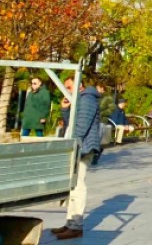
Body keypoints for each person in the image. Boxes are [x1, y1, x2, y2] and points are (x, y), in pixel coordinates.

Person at [50, 77, 104, 241]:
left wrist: (71, 146)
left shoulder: (87, 99)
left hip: (83, 147)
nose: (67, 90)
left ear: (79, 85)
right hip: (78, 145)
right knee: (72, 186)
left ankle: (76, 226)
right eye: (65, 88)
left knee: (78, 185)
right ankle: (70, 223)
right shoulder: (80, 98)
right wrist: (65, 110)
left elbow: (81, 126)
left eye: (69, 87)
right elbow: (71, 123)